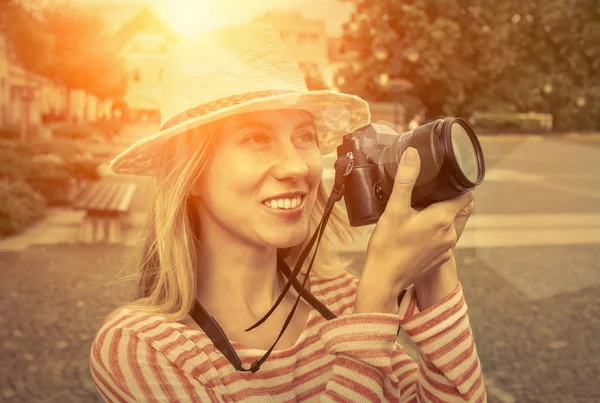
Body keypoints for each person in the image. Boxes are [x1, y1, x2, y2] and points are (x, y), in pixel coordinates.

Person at [89, 22, 486, 402]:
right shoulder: (143, 347)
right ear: (190, 174)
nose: (296, 166)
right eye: (256, 138)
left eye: (304, 137)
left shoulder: (341, 298)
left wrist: (434, 271)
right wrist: (377, 299)